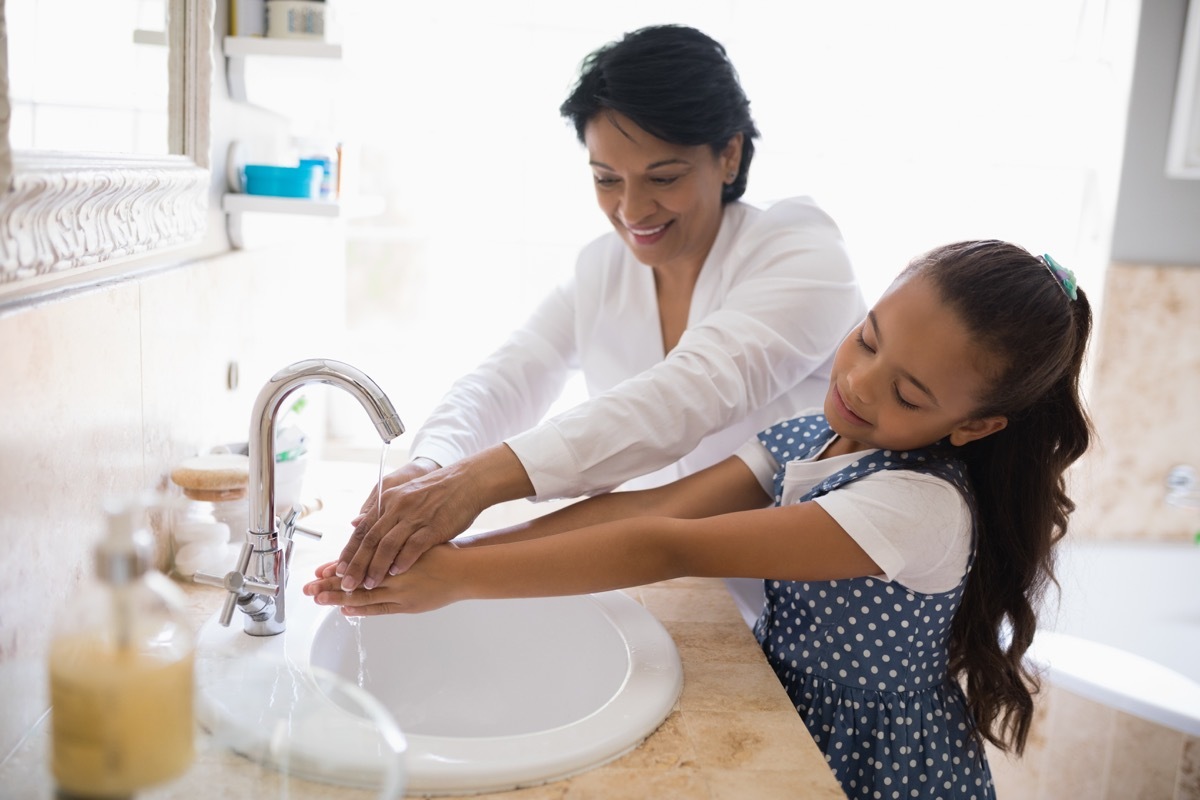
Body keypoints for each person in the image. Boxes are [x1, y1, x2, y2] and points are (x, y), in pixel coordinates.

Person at [306, 240, 1094, 800]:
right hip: (794, 712)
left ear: (977, 426)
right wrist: (450, 551)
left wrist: (460, 578)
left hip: (878, 764)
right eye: (867, 340)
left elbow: (667, 544)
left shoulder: (916, 506)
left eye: (909, 394)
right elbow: (650, 505)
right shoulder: (814, 437)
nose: (856, 382)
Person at [332, 24, 866, 595]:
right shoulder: (604, 270)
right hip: (682, 592)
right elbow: (511, 373)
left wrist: (474, 484)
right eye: (606, 179)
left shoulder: (800, 251)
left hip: (809, 612)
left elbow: (689, 394)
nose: (632, 208)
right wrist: (434, 464)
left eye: (663, 177)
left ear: (728, 155)